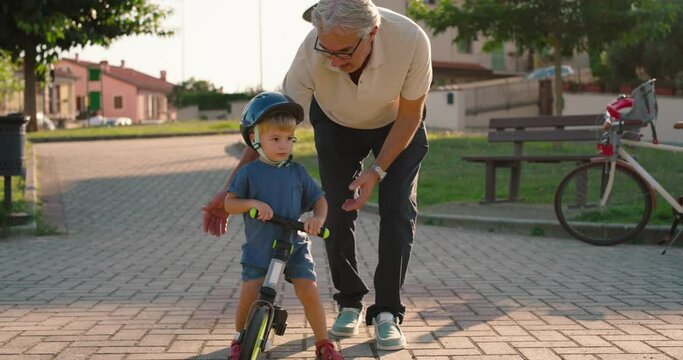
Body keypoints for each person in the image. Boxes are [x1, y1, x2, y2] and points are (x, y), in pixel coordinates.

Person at [203, 0, 431, 351]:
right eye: (327, 50)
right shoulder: (311, 51)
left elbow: (411, 114)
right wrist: (229, 189)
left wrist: (376, 170)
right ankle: (349, 301)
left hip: (397, 124)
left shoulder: (411, 40)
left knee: (398, 208)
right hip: (337, 124)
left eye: (344, 52)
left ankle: (388, 311)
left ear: (372, 33)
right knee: (335, 211)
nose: (334, 60)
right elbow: (268, 127)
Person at [223, 92, 343, 360]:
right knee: (249, 291)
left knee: (308, 290)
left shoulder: (297, 172)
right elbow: (230, 204)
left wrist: (317, 219)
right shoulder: (248, 173)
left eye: (289, 139)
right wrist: (251, 203)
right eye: (275, 139)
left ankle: (324, 343)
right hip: (260, 247)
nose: (283, 145)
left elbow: (319, 200)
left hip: (295, 245)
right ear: (255, 139)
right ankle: (239, 339)